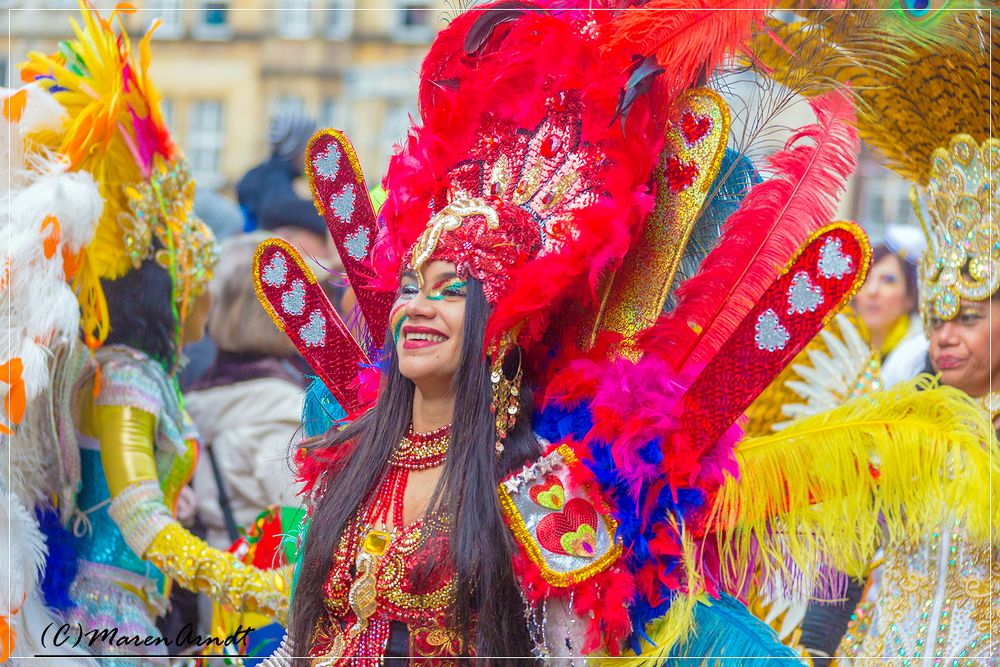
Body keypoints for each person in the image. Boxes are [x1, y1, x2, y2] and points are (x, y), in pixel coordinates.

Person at [247, 3, 991, 664]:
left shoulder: (544, 490)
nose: (417, 308)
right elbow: (301, 635)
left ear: (496, 328)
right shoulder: (348, 458)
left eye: (452, 292)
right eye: (410, 287)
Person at [3, 5, 289, 663]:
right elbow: (137, 517)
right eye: (200, 269)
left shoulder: (142, 372)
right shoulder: (128, 374)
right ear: (173, 278)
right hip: (107, 618)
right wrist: (253, 582)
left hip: (127, 608)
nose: (207, 293)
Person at [187, 232, 307, 553]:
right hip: (270, 591)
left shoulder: (196, 399)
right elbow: (299, 524)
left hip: (216, 587)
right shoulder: (281, 410)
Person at [853, 230, 927, 387]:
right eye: (865, 280)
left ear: (910, 297)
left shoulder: (922, 359)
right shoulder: (834, 345)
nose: (872, 291)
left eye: (887, 280)